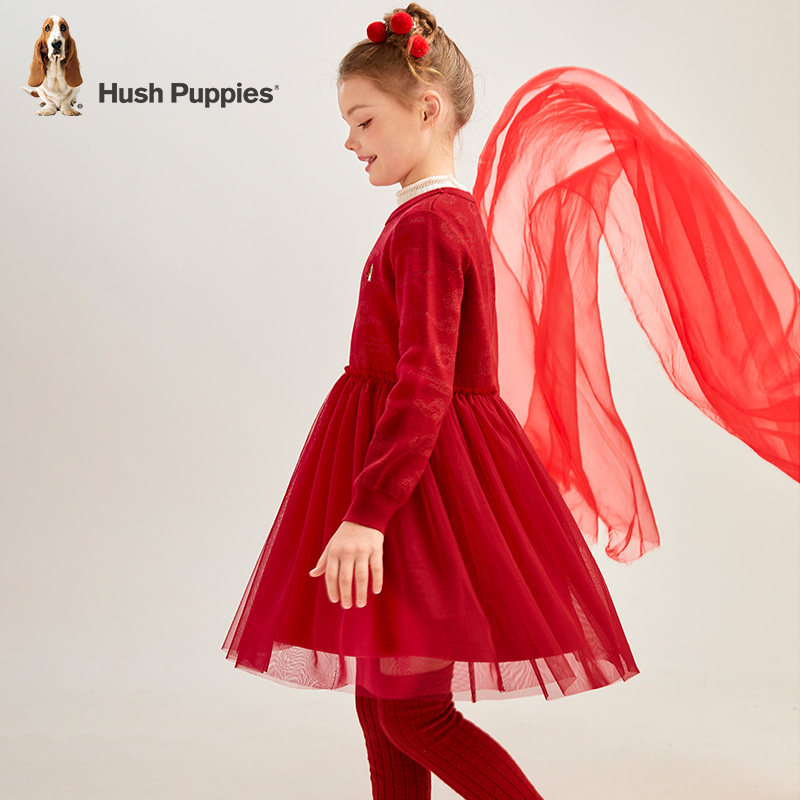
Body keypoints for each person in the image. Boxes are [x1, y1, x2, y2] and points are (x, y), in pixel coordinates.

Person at [221, 5, 798, 799]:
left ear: (427, 109)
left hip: (415, 490)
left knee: (412, 712)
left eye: (364, 120)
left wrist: (368, 513)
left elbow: (426, 380)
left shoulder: (430, 226)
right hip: (411, 479)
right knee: (384, 705)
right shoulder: (433, 216)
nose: (350, 141)